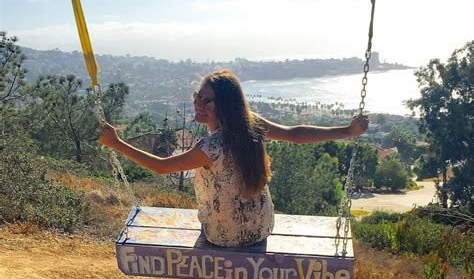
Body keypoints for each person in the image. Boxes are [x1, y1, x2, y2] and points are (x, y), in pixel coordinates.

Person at [99, 70, 368, 247]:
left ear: (225, 106)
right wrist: (347, 131)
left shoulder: (211, 146)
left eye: (208, 102)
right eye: (197, 98)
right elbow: (295, 134)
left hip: (222, 237)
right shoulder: (252, 125)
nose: (198, 105)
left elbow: (160, 167)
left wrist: (118, 143)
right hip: (260, 229)